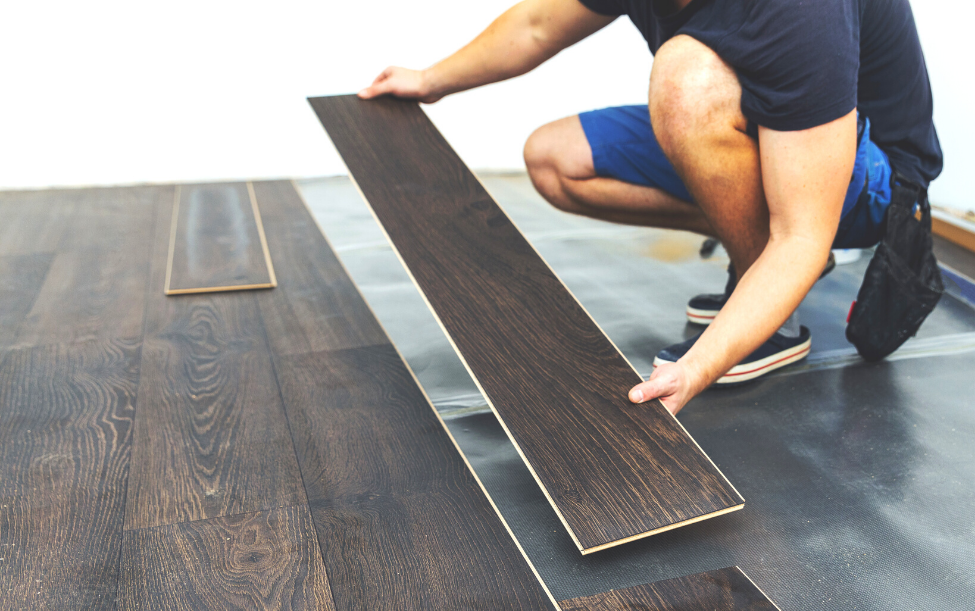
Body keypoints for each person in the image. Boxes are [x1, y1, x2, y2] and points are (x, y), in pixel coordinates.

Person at [358, 0, 942, 413]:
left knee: (685, 79)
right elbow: (536, 24)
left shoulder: (798, 10)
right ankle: (760, 275)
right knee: (554, 158)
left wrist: (698, 367)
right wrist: (430, 80)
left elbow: (801, 236)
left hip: (873, 183)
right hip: (771, 138)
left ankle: (772, 323)